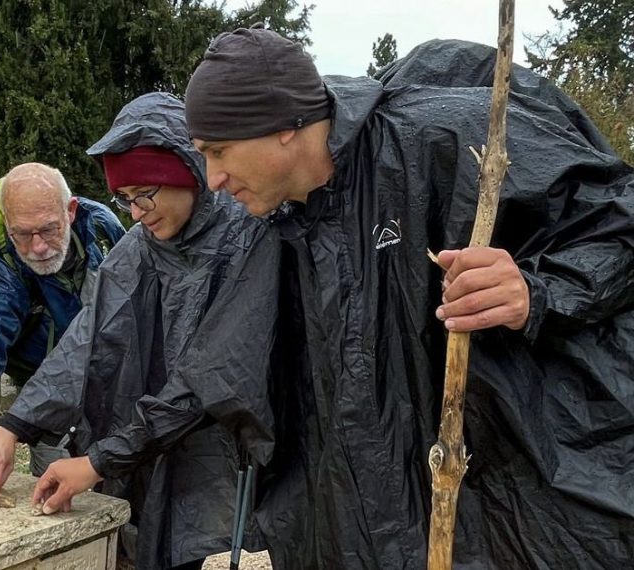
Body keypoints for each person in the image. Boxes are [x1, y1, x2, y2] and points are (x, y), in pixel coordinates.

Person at [36, 31, 634, 569]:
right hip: (354, 526)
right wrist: (99, 462)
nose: (212, 179)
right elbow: (216, 367)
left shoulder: (443, 136)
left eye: (217, 151)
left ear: (283, 126)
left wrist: (537, 291)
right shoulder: (270, 228)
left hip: (501, 499)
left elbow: (617, 221)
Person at [0, 93, 269, 570]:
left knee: (200, 537)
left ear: (188, 172)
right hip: (143, 441)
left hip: (216, 443)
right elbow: (86, 341)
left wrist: (97, 462)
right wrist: (12, 427)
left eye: (145, 193)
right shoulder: (141, 246)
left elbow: (208, 378)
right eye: (125, 198)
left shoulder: (248, 238)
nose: (135, 211)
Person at [0, 163, 126, 492]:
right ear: (7, 226)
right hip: (47, 409)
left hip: (117, 400)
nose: (38, 247)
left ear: (71, 211)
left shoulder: (104, 229)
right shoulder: (7, 268)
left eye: (49, 229)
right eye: (22, 234)